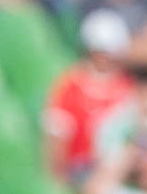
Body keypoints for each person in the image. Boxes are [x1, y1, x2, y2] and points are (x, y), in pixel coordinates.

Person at [43, 10, 134, 179]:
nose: (104, 58)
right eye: (99, 52)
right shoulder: (71, 84)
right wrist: (58, 177)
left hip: (121, 170)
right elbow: (56, 135)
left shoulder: (128, 86)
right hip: (82, 169)